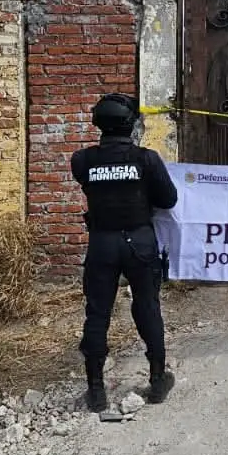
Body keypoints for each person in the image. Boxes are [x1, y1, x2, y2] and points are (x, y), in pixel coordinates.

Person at [70, 93, 179, 412]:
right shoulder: (146, 159)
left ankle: (96, 390)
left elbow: (91, 185)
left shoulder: (82, 160)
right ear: (131, 123)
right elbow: (168, 200)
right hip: (140, 242)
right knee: (147, 307)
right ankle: (158, 380)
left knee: (98, 313)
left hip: (102, 244)